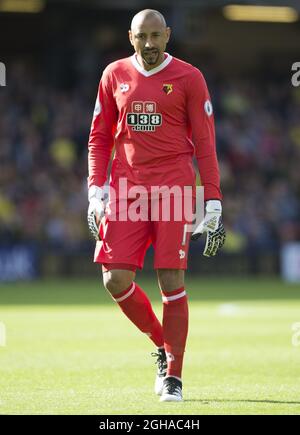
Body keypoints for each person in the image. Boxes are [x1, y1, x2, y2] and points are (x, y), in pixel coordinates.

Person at [87, 9, 225, 402]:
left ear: (168, 35)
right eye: (141, 36)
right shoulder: (114, 74)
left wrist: (212, 199)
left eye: (155, 36)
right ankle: (165, 344)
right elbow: (99, 136)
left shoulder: (189, 77)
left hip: (174, 191)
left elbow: (205, 143)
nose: (149, 44)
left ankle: (174, 377)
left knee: (171, 281)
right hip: (127, 189)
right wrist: (95, 188)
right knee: (115, 280)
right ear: (130, 37)